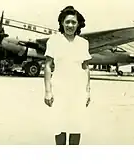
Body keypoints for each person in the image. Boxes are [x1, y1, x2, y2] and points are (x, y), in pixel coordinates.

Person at [44, 6, 92, 145]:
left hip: (78, 90)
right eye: (67, 22)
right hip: (59, 88)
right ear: (62, 23)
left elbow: (86, 67)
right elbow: (47, 66)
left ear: (78, 24)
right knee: (59, 125)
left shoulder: (83, 43)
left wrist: (87, 91)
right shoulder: (53, 41)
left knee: (77, 125)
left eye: (73, 22)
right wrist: (48, 91)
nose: (70, 25)